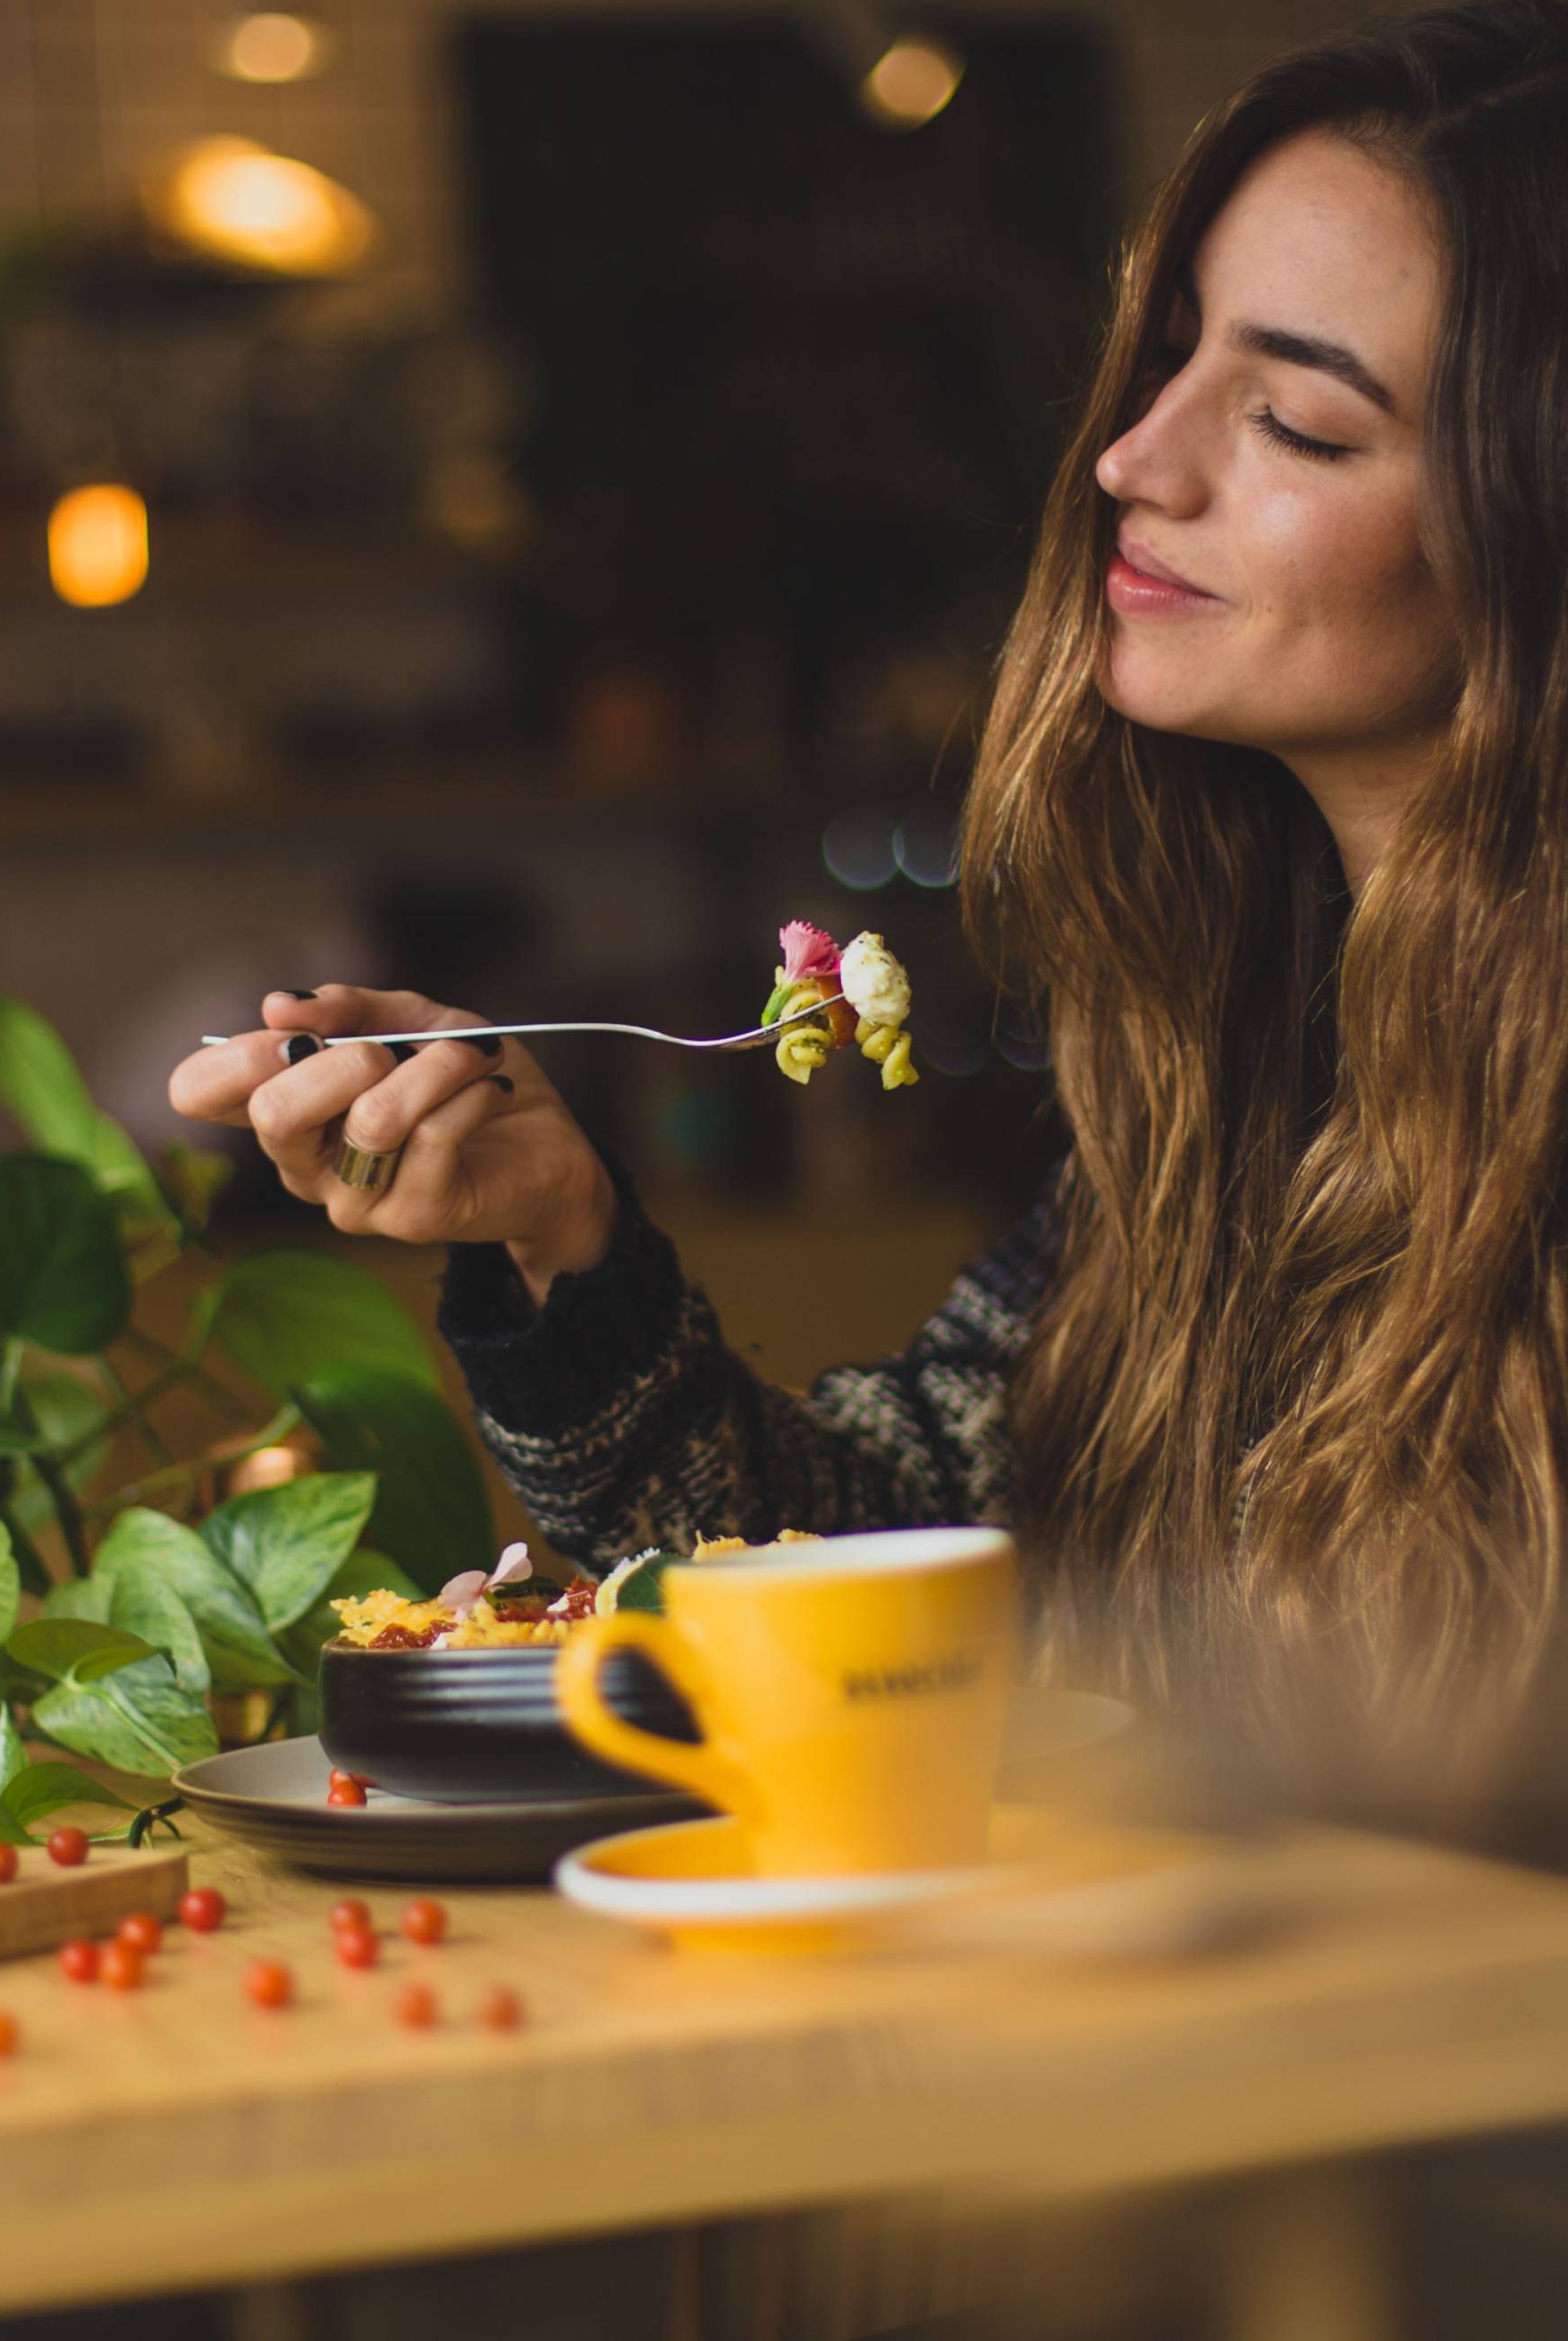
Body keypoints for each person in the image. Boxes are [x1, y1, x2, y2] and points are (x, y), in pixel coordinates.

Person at [170, 0, 1568, 1778]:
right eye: (1177, 352)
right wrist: (563, 1230)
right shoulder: (1241, 1058)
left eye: (1293, 419)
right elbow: (906, 1542)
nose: (1138, 457)